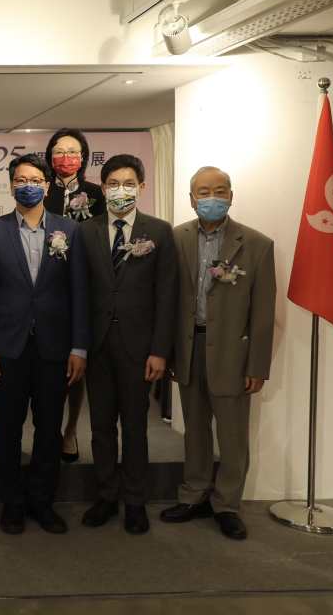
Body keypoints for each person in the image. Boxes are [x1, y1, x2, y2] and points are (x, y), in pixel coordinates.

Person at [160, 166, 275, 541]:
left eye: (220, 191)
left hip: (232, 354)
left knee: (232, 434)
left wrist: (257, 364)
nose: (212, 198)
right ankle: (193, 494)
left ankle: (227, 505)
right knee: (194, 430)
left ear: (231, 196)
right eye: (204, 192)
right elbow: (166, 299)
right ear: (192, 199)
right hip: (188, 347)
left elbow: (263, 312)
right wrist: (169, 354)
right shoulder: (175, 239)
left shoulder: (256, 244)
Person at [0, 154, 88, 535]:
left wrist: (79, 348)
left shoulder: (69, 230)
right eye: (21, 179)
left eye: (36, 180)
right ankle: (11, 503)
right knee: (8, 428)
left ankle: (43, 502)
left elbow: (79, 293)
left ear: (46, 185)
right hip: (7, 347)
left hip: (54, 347)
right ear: (11, 185)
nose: (29, 185)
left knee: (49, 429)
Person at [79, 154, 177, 535]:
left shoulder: (159, 232)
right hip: (97, 345)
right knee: (101, 427)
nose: (121, 190)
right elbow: (79, 293)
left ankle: (135, 501)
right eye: (114, 184)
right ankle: (106, 495)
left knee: (136, 427)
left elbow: (166, 295)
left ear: (142, 187)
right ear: (103, 189)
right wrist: (79, 346)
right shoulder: (86, 231)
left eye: (128, 184)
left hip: (139, 347)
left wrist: (160, 350)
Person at [43, 129, 105, 463]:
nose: (65, 157)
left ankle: (70, 430)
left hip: (86, 286)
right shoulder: (42, 189)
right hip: (49, 288)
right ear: (49, 155)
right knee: (52, 366)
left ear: (83, 157)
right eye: (59, 150)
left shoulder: (96, 193)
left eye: (73, 151)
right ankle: (50, 429)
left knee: (78, 362)